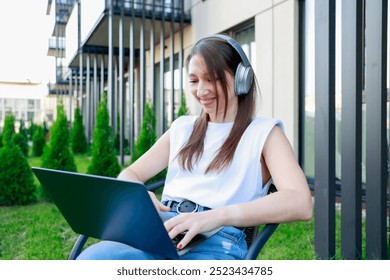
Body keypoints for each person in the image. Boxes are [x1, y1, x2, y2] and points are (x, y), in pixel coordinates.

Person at [77, 34, 312, 260]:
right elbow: (131, 173)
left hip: (220, 237)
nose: (201, 91)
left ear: (242, 79)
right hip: (161, 228)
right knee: (92, 259)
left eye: (213, 79)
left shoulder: (265, 134)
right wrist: (137, 195)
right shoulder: (182, 128)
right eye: (194, 80)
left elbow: (300, 202)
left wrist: (215, 217)